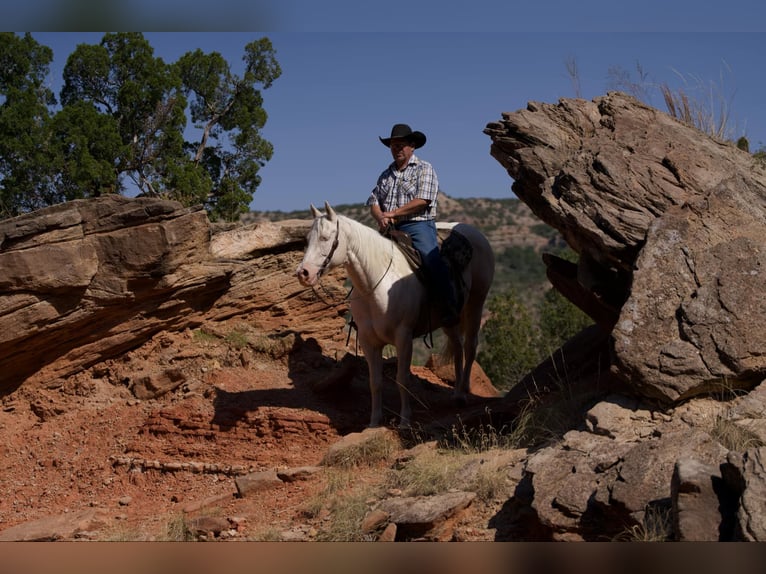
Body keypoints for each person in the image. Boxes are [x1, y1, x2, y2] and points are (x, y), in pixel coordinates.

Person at [367, 123, 460, 326]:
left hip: (417, 225)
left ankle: (449, 306)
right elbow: (373, 201)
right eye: (393, 146)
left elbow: (423, 200)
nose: (396, 149)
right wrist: (380, 216)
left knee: (431, 259)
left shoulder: (424, 169)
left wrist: (394, 213)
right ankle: (367, 315)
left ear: (412, 146)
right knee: (365, 261)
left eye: (400, 145)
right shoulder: (385, 174)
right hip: (389, 228)